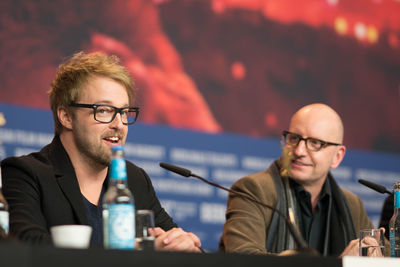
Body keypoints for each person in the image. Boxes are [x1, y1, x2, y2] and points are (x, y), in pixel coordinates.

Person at [0, 51, 201, 252]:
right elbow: (27, 246)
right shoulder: (25, 174)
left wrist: (185, 247)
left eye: (123, 112)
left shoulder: (135, 180)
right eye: (104, 110)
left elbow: (173, 241)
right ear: (66, 116)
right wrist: (136, 252)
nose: (119, 124)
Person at [219, 103, 385, 257]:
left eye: (315, 143)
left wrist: (376, 253)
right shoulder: (253, 189)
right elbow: (244, 259)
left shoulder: (351, 204)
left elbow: (381, 255)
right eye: (294, 138)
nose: (299, 151)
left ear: (337, 156)